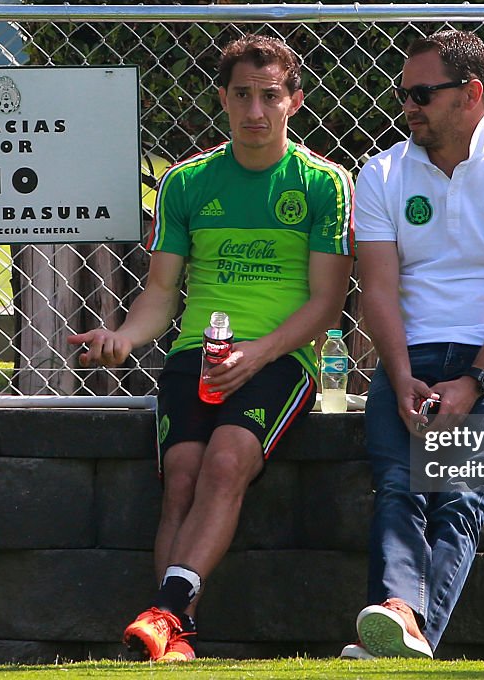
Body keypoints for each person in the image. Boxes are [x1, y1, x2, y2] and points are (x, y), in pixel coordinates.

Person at [68, 34, 354, 662]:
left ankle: (166, 611)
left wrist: (260, 353)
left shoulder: (324, 184)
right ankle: (173, 637)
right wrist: (121, 337)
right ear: (222, 100)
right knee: (182, 483)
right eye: (243, 96)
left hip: (281, 360)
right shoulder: (186, 182)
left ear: (295, 101)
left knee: (227, 463)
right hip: (195, 357)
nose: (256, 110)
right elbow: (160, 293)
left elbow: (327, 305)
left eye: (270, 96)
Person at [342, 30, 484, 659]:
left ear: (472, 93)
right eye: (403, 93)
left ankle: (401, 621)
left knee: (458, 492)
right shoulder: (382, 172)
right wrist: (398, 375)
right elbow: (379, 292)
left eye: (422, 93)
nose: (408, 106)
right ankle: (400, 620)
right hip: (408, 355)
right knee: (399, 485)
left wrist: (473, 382)